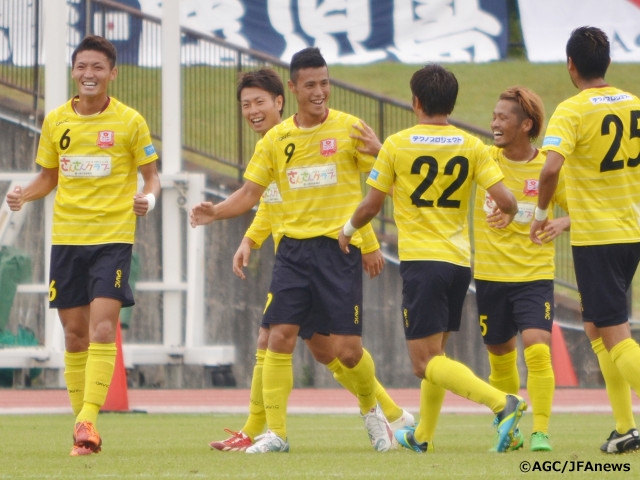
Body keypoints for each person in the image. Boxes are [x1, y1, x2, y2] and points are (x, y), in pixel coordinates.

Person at [191, 48, 397, 454]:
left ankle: (374, 410)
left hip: (339, 251)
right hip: (292, 255)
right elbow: (253, 194)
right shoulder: (275, 140)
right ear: (293, 88)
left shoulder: (351, 128)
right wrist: (216, 212)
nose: (319, 92)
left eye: (324, 83)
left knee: (346, 351)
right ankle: (276, 434)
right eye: (311, 85)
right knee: (277, 337)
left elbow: (386, 179)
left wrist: (382, 147)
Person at [338, 64, 527, 454]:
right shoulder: (473, 145)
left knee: (424, 363)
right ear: (451, 103)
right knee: (436, 356)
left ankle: (501, 403)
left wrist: (346, 230)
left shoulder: (397, 144)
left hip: (423, 263)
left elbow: (371, 205)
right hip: (458, 265)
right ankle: (421, 436)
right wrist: (505, 214)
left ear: (416, 102)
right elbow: (508, 201)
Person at [5, 35, 160, 456]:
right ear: (74, 72)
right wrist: (23, 195)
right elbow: (48, 176)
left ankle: (88, 419)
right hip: (68, 240)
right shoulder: (56, 121)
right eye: (82, 67)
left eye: (97, 68)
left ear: (112, 73)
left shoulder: (130, 121)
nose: (89, 74)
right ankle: (83, 431)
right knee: (74, 336)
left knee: (103, 328)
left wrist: (149, 200)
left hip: (112, 239)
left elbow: (152, 178)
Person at [530, 26, 640, 454]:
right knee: (598, 325)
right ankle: (625, 426)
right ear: (608, 62)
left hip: (598, 239)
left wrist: (541, 215)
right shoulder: (635, 105)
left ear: (571, 64)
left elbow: (551, 168)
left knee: (616, 336)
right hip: (631, 232)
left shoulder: (571, 110)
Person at [473, 86, 570, 452]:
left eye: (503, 117)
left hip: (534, 275)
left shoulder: (547, 166)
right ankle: (508, 428)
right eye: (494, 116)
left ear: (526, 124)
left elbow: (581, 206)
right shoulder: (484, 158)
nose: (494, 123)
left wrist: (563, 222)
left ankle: (541, 431)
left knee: (537, 348)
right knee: (499, 358)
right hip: (489, 274)